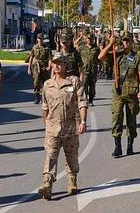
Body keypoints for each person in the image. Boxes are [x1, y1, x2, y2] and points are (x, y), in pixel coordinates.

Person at [37, 54, 88, 200]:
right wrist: (46, 125)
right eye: (55, 63)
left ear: (66, 65)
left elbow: (82, 102)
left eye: (60, 63)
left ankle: (72, 180)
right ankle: (47, 183)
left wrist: (83, 122)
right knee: (50, 155)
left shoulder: (74, 82)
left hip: (70, 127)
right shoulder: (47, 84)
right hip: (53, 127)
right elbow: (45, 106)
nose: (57, 65)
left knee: (71, 156)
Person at [98, 32, 140, 158]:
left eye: (128, 41)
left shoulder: (136, 57)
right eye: (124, 41)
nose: (126, 43)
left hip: (132, 93)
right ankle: (117, 147)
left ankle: (130, 145)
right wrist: (110, 43)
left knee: (131, 121)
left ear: (132, 42)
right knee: (117, 118)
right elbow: (100, 57)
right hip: (118, 92)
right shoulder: (115, 55)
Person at [28, 33, 51, 104]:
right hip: (36, 66)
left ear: (43, 39)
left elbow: (50, 58)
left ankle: (45, 97)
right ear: (37, 39)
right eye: (39, 38)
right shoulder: (34, 47)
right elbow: (31, 57)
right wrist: (29, 68)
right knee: (36, 82)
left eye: (41, 38)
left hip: (44, 66)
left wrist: (49, 67)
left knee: (45, 83)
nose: (40, 40)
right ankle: (37, 97)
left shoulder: (47, 48)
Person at [80, 33, 100, 106]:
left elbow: (99, 58)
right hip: (84, 70)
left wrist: (100, 68)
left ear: (93, 40)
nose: (89, 40)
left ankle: (91, 99)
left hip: (93, 70)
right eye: (88, 39)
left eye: (91, 39)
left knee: (92, 86)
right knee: (84, 85)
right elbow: (78, 59)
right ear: (86, 39)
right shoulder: (82, 48)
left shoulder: (96, 49)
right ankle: (86, 99)